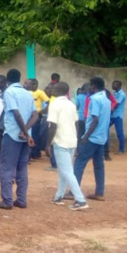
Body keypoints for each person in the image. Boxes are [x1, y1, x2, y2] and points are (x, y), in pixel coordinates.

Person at [0, 69, 37, 210]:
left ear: (7, 80)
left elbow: (16, 113)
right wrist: (27, 133)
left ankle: (7, 200)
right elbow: (35, 115)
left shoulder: (9, 92)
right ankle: (21, 199)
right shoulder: (28, 93)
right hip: (25, 137)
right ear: (20, 78)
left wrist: (22, 131)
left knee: (7, 168)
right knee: (22, 168)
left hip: (13, 134)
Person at [45, 82, 89, 211]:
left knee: (67, 172)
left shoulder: (55, 104)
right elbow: (76, 124)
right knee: (64, 170)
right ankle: (59, 196)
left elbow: (52, 126)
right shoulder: (71, 104)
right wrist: (76, 138)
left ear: (58, 90)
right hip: (71, 141)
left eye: (53, 87)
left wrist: (47, 144)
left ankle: (80, 200)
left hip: (60, 141)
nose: (51, 89)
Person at [74, 77, 111, 202]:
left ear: (94, 86)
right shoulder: (106, 100)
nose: (88, 87)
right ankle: (99, 192)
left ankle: (73, 191)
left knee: (79, 163)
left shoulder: (95, 99)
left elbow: (95, 119)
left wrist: (86, 136)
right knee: (99, 166)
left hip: (92, 137)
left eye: (90, 85)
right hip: (101, 138)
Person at [27, 79, 50, 160]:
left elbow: (48, 102)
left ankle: (35, 153)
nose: (35, 86)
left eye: (36, 84)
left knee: (35, 134)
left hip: (37, 115)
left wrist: (42, 111)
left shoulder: (40, 92)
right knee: (29, 134)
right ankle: (30, 153)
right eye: (33, 84)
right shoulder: (27, 92)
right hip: (28, 115)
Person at [109, 80, 126, 155]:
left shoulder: (122, 94)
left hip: (118, 116)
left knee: (119, 133)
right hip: (112, 115)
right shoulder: (114, 93)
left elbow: (116, 104)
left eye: (114, 84)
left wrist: (110, 110)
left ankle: (121, 149)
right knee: (104, 128)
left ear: (119, 85)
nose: (112, 85)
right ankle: (105, 148)